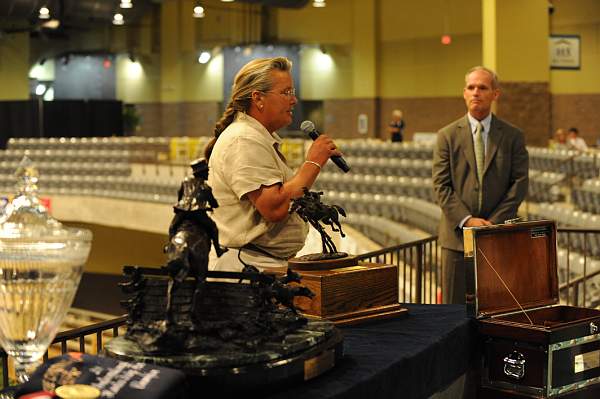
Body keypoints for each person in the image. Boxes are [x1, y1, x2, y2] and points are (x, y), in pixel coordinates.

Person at [204, 57, 341, 272]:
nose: (294, 100)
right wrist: (313, 162)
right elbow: (274, 207)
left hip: (259, 262)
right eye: (286, 93)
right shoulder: (244, 139)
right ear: (258, 98)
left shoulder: (256, 137)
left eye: (293, 92)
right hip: (247, 266)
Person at [432, 66, 529, 304]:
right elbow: (441, 185)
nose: (476, 92)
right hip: (456, 239)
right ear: (464, 93)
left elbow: (519, 183)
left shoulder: (512, 136)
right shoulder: (447, 136)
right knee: (453, 312)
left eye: (483, 87)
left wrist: (492, 224)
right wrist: (468, 221)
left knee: (496, 306)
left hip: (497, 237)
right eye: (471, 87)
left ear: (495, 94)